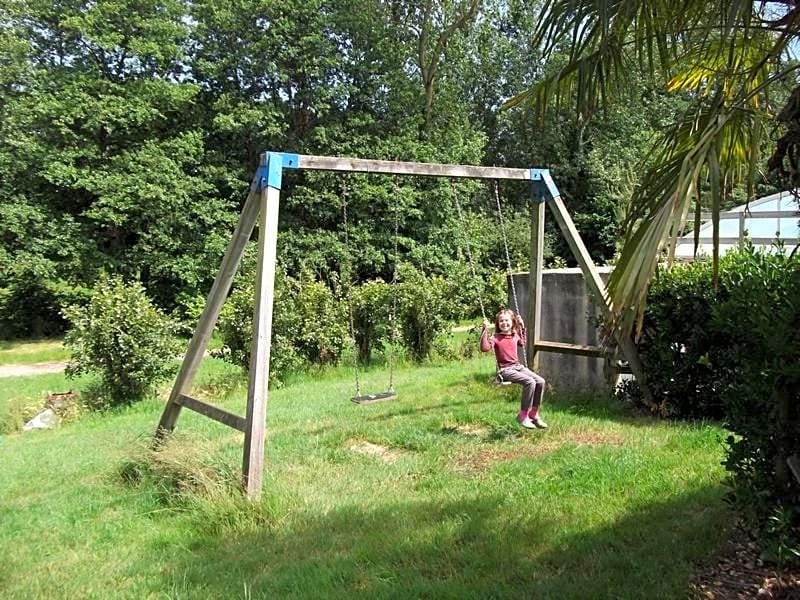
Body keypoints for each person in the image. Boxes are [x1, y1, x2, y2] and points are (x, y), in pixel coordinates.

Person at [480, 308, 548, 430]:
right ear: (497, 323)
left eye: (507, 320)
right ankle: (523, 415)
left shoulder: (514, 335)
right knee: (530, 382)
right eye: (501, 321)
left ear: (512, 322)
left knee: (540, 381)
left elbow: (522, 342)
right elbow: (485, 348)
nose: (504, 323)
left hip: (518, 367)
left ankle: (533, 413)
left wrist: (522, 327)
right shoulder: (495, 337)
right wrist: (484, 329)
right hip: (505, 370)